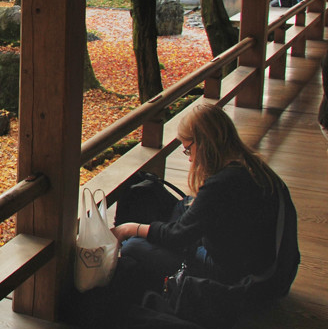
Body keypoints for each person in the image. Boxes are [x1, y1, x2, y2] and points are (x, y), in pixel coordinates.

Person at [111, 104, 298, 299]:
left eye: (188, 150)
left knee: (133, 246)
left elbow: (178, 236)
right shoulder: (253, 165)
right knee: (182, 208)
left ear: (204, 142)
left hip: (244, 281)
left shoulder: (222, 184)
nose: (190, 160)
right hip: (272, 271)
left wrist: (129, 229)